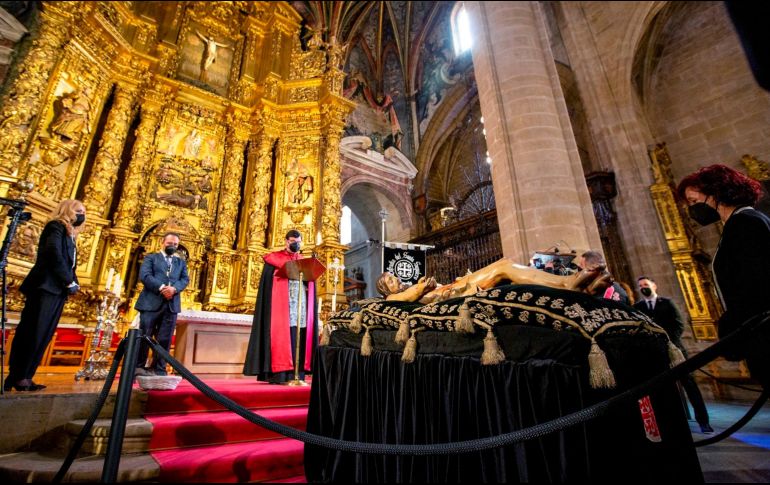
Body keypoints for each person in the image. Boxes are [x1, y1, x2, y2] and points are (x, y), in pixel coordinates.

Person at [676, 164, 770, 390]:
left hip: (766, 335)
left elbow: (759, 284)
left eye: (693, 200)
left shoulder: (746, 223)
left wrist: (734, 326)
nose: (693, 209)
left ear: (715, 191)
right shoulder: (737, 225)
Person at [4, 199, 85, 392]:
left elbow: (69, 263)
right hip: (46, 287)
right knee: (33, 332)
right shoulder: (55, 226)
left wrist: (74, 282)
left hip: (58, 290)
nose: (82, 214)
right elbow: (53, 254)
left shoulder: (71, 235)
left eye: (84, 211)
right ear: (67, 210)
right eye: (79, 210)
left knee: (44, 335)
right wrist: (68, 281)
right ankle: (18, 375)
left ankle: (25, 377)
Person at [634, 276, 713, 433]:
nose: (643, 287)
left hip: (675, 350)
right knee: (661, 387)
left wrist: (668, 340)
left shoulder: (667, 303)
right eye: (641, 286)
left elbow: (679, 324)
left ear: (654, 286)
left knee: (689, 385)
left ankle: (703, 421)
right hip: (655, 352)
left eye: (646, 284)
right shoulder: (638, 307)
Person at [243, 230, 318, 384]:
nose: (295, 243)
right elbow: (268, 285)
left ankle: (297, 374)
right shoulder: (274, 259)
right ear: (286, 242)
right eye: (292, 241)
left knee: (299, 334)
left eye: (298, 241)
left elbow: (310, 283)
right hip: (281, 306)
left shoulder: (304, 260)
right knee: (283, 335)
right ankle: (280, 374)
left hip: (300, 307)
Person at [376, 256, 612, 304]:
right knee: (504, 267)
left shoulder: (401, 292)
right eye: (390, 280)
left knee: (503, 265)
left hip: (454, 288)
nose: (395, 278)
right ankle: (568, 283)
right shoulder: (393, 298)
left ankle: (576, 286)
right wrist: (421, 288)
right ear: (386, 290)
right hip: (454, 293)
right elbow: (406, 297)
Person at [134, 232, 190, 377]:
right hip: (150, 303)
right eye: (170, 243)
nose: (172, 246)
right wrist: (161, 288)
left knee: (165, 338)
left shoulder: (180, 262)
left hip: (171, 305)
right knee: (145, 336)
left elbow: (185, 279)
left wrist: (174, 289)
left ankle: (159, 368)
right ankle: (139, 366)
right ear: (162, 242)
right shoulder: (151, 258)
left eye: (175, 245)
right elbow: (145, 276)